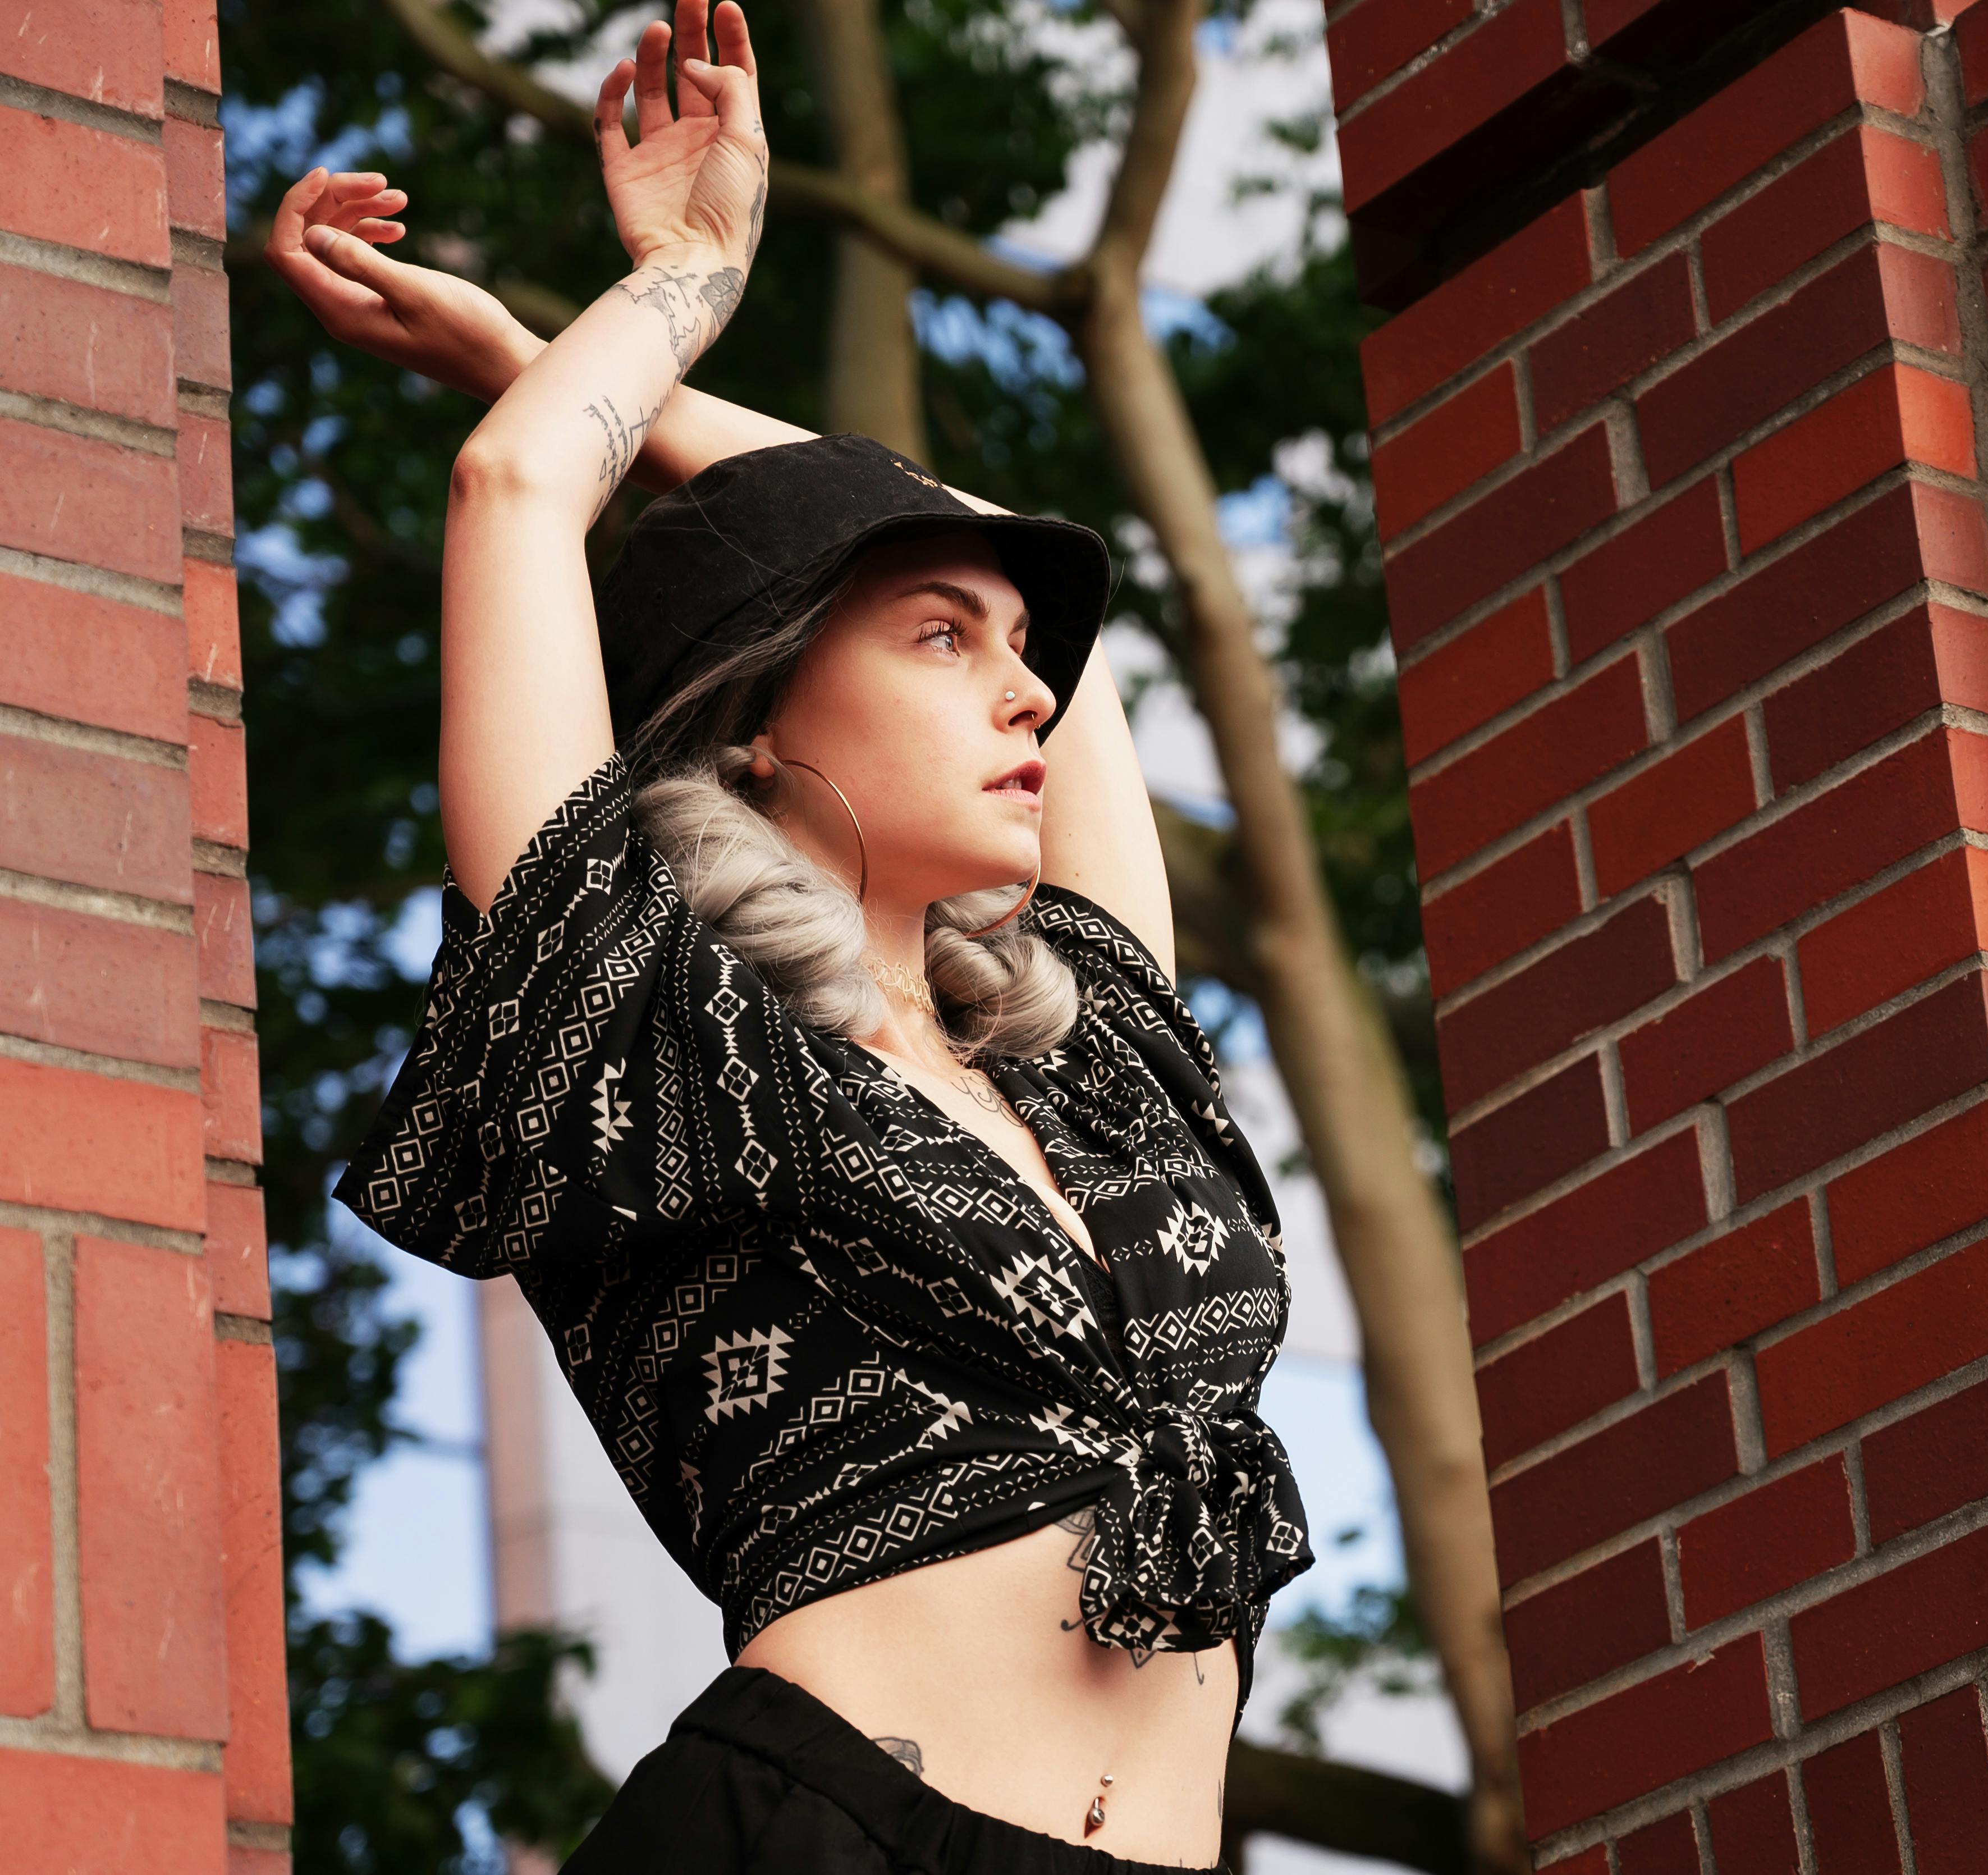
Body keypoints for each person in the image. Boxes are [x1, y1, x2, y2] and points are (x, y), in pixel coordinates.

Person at [268, 6, 1310, 1868]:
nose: (1024, 698)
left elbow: (1004, 570)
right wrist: (679, 280)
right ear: (759, 718)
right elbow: (521, 485)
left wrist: (594, 379)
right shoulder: (658, 1029)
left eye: (1021, 651)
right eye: (935, 638)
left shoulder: (1090, 1059)